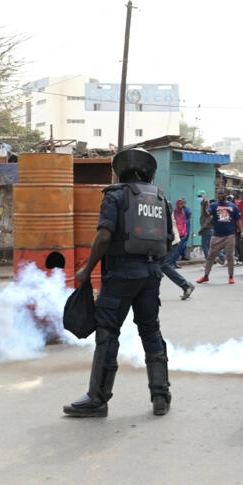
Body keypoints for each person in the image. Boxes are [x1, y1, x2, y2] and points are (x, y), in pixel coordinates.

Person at [64, 147, 174, 417]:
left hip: (121, 273)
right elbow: (169, 241)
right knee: (150, 330)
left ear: (121, 170)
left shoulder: (115, 195)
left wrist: (86, 269)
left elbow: (104, 236)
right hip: (151, 273)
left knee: (107, 332)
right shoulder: (161, 199)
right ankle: (160, 395)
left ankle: (97, 399)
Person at [196, 189, 242, 285]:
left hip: (230, 235)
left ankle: (231, 277)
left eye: (222, 193)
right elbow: (207, 215)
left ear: (226, 194)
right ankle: (206, 276)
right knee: (211, 256)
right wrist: (204, 207)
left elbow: (238, 220)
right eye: (218, 194)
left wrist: (242, 232)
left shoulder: (233, 206)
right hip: (216, 235)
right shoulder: (213, 205)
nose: (220, 195)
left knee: (230, 256)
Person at [161, 205, 194, 301]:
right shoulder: (162, 203)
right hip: (164, 241)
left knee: (163, 265)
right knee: (157, 266)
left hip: (170, 241)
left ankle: (186, 285)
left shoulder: (163, 204)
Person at [197, 190, 213, 259]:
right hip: (207, 228)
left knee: (205, 245)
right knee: (209, 245)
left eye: (200, 196)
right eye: (198, 196)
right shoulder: (203, 204)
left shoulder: (206, 204)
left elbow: (209, 217)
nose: (199, 198)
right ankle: (221, 257)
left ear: (204, 196)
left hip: (207, 228)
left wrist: (203, 228)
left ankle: (209, 260)